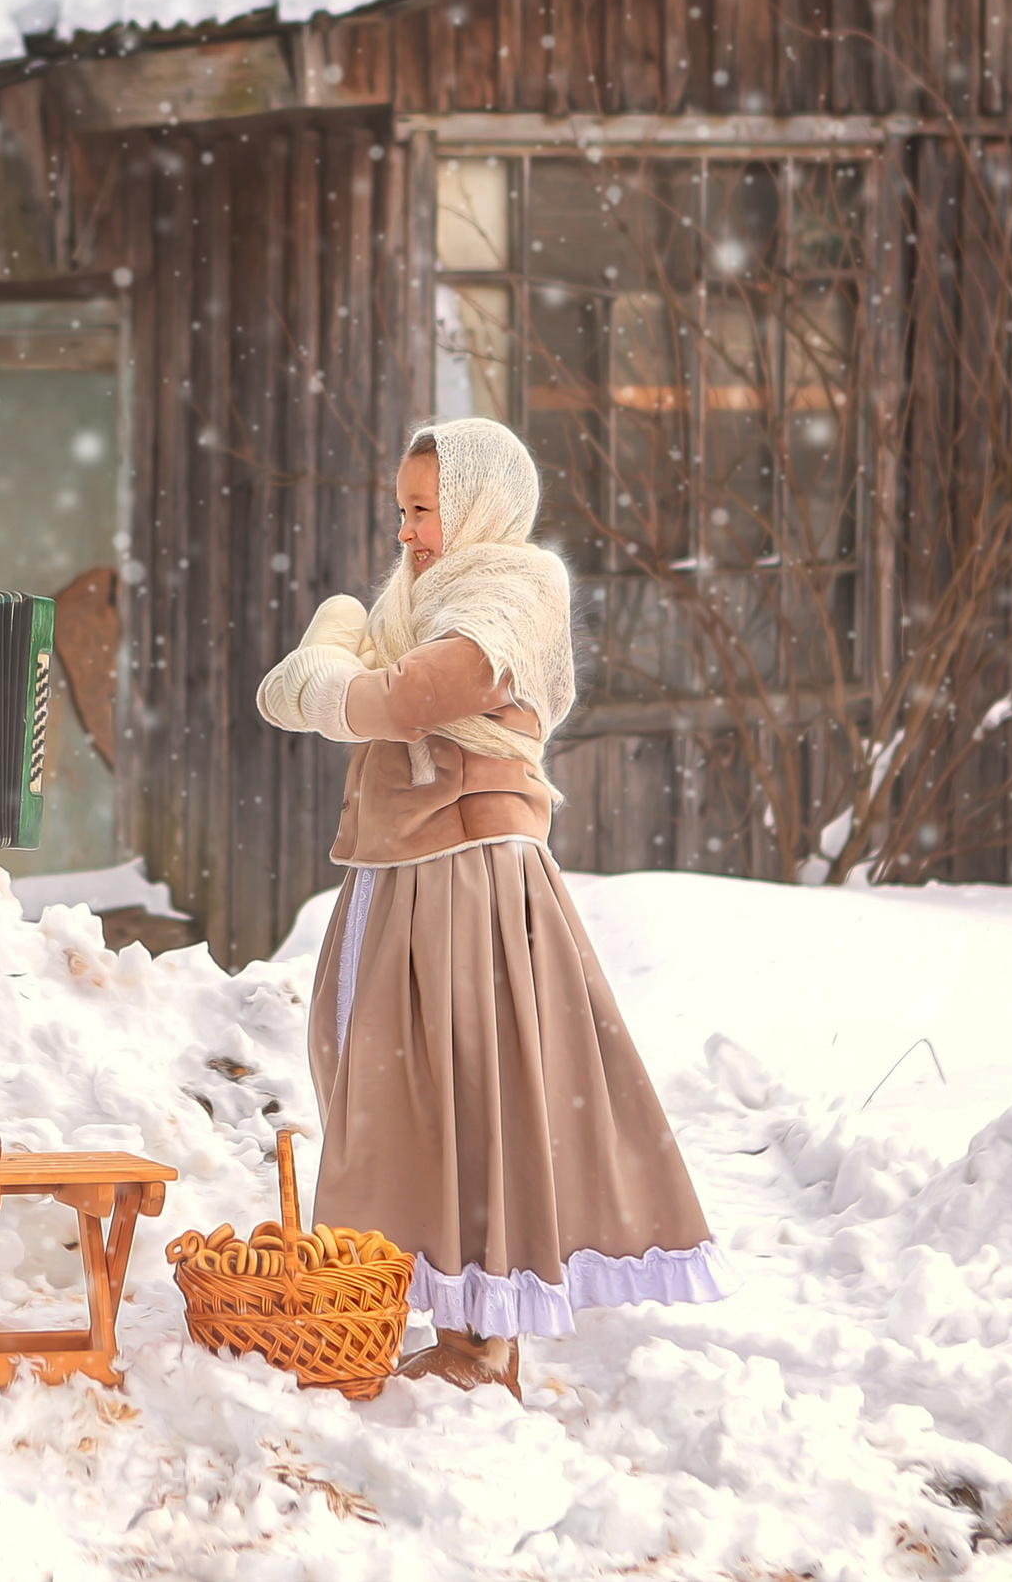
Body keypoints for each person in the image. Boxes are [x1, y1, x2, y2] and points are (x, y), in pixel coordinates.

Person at [257, 417, 736, 1396]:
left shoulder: (515, 589)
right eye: (403, 510)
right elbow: (310, 693)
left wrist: (331, 661)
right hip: (398, 865)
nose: (409, 532)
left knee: (473, 1091)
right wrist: (338, 657)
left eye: (425, 510)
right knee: (381, 1084)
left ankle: (482, 1341)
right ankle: (415, 1302)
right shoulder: (416, 598)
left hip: (470, 871)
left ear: (480, 505)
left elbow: (404, 698)